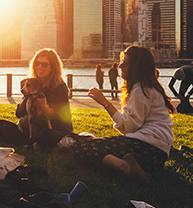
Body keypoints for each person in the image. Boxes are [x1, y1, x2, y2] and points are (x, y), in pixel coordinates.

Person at [67, 45, 174, 183]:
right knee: (97, 145)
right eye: (120, 63)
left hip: (146, 147)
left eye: (124, 64)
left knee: (82, 148)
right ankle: (135, 168)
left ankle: (124, 167)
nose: (120, 67)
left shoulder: (140, 89)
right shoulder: (149, 87)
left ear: (136, 67)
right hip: (158, 154)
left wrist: (105, 103)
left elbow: (128, 127)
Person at [0, 48, 73, 149]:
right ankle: (29, 142)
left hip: (54, 128)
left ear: (53, 67)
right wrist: (25, 99)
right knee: (0, 124)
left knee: (46, 134)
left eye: (44, 65)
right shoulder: (32, 83)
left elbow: (64, 116)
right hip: (32, 127)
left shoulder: (60, 87)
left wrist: (44, 108)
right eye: (37, 63)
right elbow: (19, 114)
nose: (39, 67)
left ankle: (23, 142)